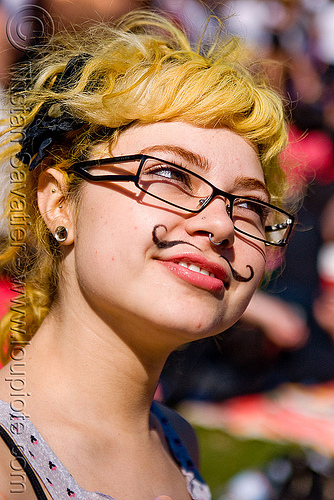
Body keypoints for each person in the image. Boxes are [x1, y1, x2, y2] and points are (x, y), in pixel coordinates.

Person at [0, 10, 294, 500]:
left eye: (249, 206)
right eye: (171, 176)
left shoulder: (180, 443)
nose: (221, 223)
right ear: (56, 201)